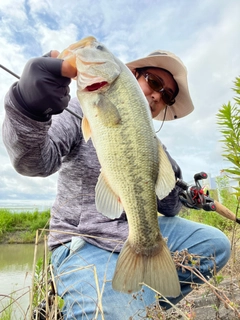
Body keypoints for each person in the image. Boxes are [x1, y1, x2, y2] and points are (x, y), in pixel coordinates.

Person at [2, 45, 231, 320]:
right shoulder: (82, 109)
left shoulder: (154, 145)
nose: (158, 94)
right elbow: (35, 163)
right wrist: (29, 108)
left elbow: (168, 207)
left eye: (167, 95)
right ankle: (111, 301)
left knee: (216, 245)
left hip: (134, 235)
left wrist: (179, 185)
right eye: (155, 82)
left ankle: (138, 296)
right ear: (132, 75)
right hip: (86, 240)